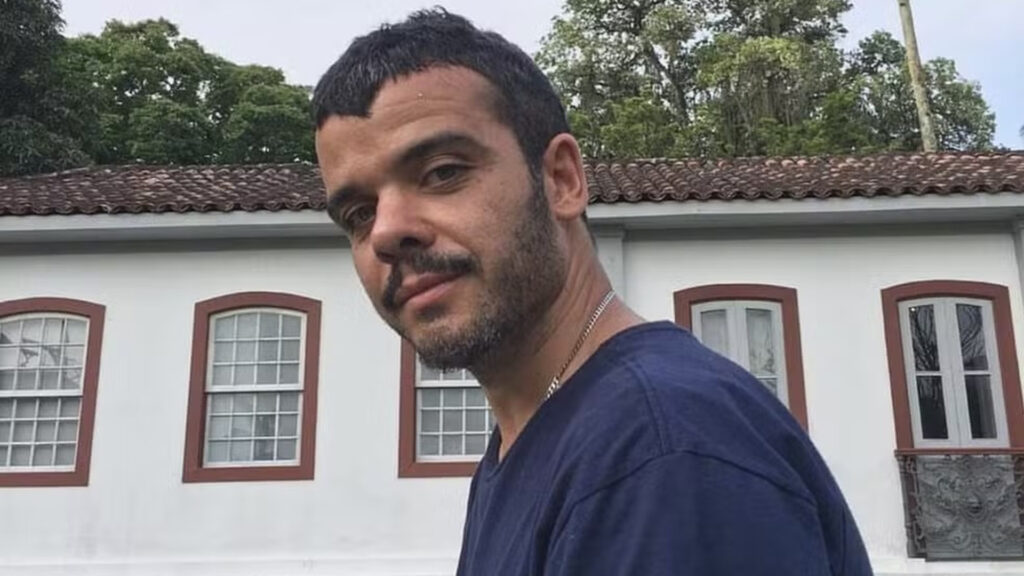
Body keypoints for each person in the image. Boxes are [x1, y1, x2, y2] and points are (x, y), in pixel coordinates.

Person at [312, 8, 872, 575]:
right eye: (359, 213)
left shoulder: (657, 448)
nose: (386, 233)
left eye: (442, 172)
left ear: (561, 180)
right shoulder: (533, 441)